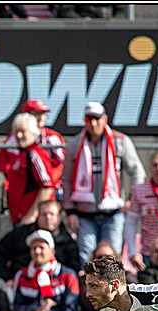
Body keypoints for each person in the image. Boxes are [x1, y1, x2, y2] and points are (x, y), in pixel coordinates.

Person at [62, 101, 146, 266]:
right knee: (87, 258)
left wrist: (131, 199)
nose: (93, 124)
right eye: (89, 119)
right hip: (84, 214)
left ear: (105, 119)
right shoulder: (75, 145)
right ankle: (88, 284)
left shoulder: (119, 141)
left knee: (111, 258)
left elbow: (137, 172)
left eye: (97, 119)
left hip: (113, 213)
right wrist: (70, 210)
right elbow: (66, 179)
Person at [0, 199, 79, 282]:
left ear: (59, 217)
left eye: (52, 214)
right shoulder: (22, 234)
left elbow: (73, 269)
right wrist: (7, 278)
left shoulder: (68, 241)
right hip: (21, 284)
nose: (48, 218)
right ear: (38, 216)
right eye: (44, 214)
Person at [11, 229, 79, 311]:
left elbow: (71, 310)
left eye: (41, 247)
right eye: (34, 248)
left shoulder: (67, 275)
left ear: (52, 250)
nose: (37, 251)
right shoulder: (22, 275)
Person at [0, 99, 64, 197]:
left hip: (49, 187)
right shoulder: (13, 139)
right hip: (20, 188)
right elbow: (4, 164)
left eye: (43, 114)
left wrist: (48, 180)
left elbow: (61, 164)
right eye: (36, 114)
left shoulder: (52, 137)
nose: (41, 117)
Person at [4, 112, 59, 227]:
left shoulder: (35, 154)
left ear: (33, 133)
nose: (19, 135)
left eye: (22, 131)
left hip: (31, 222)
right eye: (16, 132)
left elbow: (47, 186)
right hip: (20, 218)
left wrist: (33, 214)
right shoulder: (21, 155)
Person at [73, 240, 121, 311]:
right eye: (99, 257)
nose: (103, 260)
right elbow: (86, 302)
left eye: (108, 257)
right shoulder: (85, 279)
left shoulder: (126, 277)